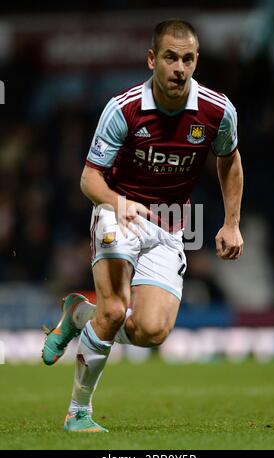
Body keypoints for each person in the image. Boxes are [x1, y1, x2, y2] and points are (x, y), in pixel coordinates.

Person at [42, 19, 244, 432]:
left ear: (196, 61)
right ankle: (78, 413)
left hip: (170, 223)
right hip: (118, 210)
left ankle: (79, 316)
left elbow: (230, 159)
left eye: (188, 59)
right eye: (170, 57)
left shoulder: (218, 110)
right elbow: (88, 178)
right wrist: (120, 203)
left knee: (151, 331)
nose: (179, 68)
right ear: (152, 59)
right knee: (115, 310)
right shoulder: (123, 108)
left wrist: (232, 223)